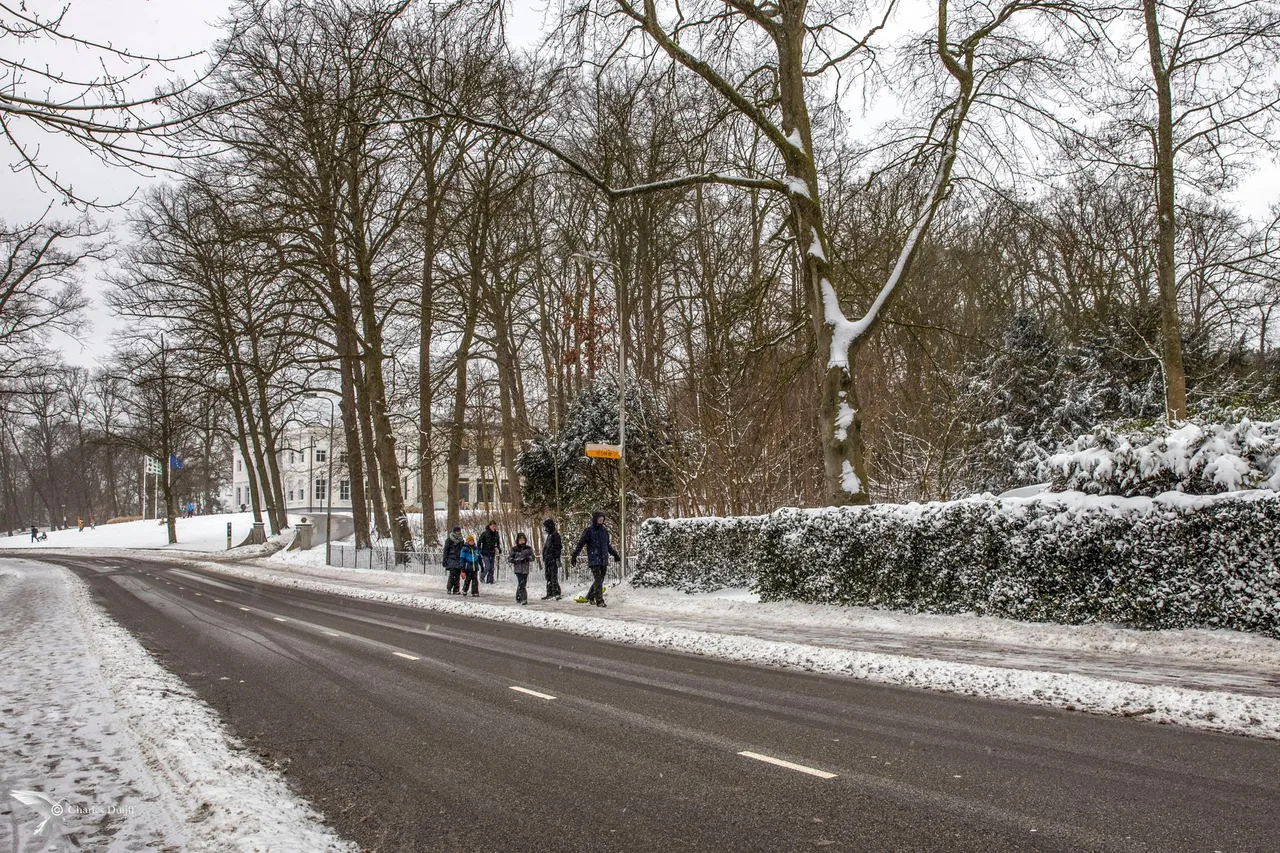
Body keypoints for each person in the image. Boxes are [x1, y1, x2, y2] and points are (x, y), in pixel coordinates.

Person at [571, 511, 620, 607]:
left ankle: (590, 596)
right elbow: (581, 544)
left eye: (602, 519)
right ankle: (599, 600)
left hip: (603, 559)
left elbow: (607, 545)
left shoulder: (604, 531)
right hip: (594, 559)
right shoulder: (589, 530)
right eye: (599, 519)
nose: (601, 521)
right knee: (598, 579)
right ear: (595, 520)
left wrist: (615, 554)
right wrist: (574, 555)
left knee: (600, 580)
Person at [541, 518, 562, 600]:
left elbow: (558, 547)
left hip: (552, 559)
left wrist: (557, 558)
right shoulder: (550, 535)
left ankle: (556, 592)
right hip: (548, 559)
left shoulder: (555, 535)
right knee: (548, 576)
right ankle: (550, 592)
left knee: (553, 576)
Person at [510, 533, 535, 605]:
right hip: (518, 569)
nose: (522, 541)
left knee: (522, 583)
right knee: (521, 583)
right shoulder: (514, 549)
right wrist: (514, 560)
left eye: (523, 540)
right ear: (517, 541)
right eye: (520, 540)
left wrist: (527, 559)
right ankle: (523, 598)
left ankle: (518, 596)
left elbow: (532, 557)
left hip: (525, 569)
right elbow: (510, 558)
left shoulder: (528, 548)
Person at [442, 526, 464, 594]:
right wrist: (445, 559)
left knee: (457, 575)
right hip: (451, 558)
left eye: (459, 531)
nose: (458, 533)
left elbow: (462, 549)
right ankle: (449, 588)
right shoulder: (449, 540)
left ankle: (456, 589)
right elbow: (446, 550)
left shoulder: (461, 540)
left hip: (458, 559)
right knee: (452, 574)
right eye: (457, 531)